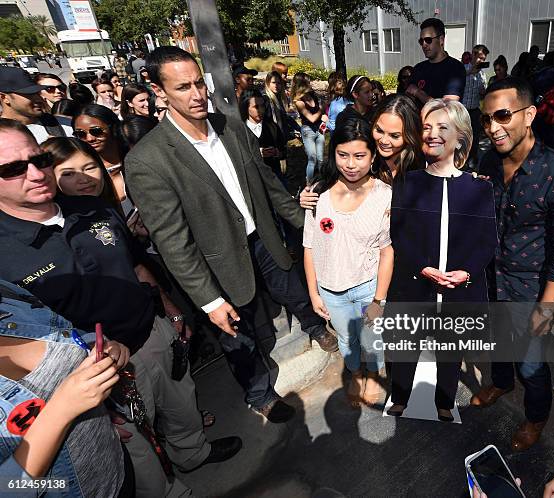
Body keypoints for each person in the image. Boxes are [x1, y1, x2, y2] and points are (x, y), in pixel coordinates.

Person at [0, 119, 242, 497]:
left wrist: (171, 312)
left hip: (155, 333)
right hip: (98, 375)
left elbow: (135, 263)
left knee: (181, 405)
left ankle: (194, 452)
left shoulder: (91, 207)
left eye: (40, 159)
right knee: (137, 450)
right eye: (13, 169)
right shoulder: (3, 257)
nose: (35, 174)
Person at [124, 46, 338, 424]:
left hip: (265, 242)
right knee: (238, 337)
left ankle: (317, 328)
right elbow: (174, 242)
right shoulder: (148, 160)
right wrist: (208, 301)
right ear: (159, 92)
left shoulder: (231, 127)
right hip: (217, 265)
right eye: (183, 87)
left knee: (296, 292)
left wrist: (305, 225)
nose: (196, 95)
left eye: (198, 83)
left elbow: (268, 184)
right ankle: (259, 394)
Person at [472, 77, 554, 451]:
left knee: (532, 365)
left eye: (503, 115)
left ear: (530, 114)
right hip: (491, 279)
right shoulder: (489, 160)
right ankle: (500, 383)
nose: (493, 127)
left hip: (529, 290)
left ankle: (536, 418)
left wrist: (547, 306)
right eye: (486, 118)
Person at [385, 99, 497, 422]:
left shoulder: (478, 187)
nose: (432, 134)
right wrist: (422, 266)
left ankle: (444, 401)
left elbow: (488, 240)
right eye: (427, 128)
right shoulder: (408, 182)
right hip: (416, 287)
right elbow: (399, 234)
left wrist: (468, 272)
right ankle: (400, 396)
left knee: (451, 349)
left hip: (458, 291)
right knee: (407, 346)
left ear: (460, 137)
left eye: (442, 128)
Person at [0, 280, 132, 498]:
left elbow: (67, 335)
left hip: (115, 464)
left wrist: (100, 350)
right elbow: (8, 488)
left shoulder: (6, 294)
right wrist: (62, 411)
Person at [303, 118, 393, 407]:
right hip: (331, 290)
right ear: (333, 154)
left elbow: (387, 251)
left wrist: (379, 298)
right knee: (346, 340)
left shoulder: (384, 195)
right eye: (343, 155)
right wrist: (314, 292)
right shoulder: (318, 195)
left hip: (369, 289)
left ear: (373, 155)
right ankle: (355, 374)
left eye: (359, 156)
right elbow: (309, 247)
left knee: (372, 339)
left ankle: (374, 374)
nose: (351, 164)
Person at [300, 93, 425, 209]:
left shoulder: (420, 165)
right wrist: (310, 194)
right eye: (379, 130)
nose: (384, 141)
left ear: (410, 135)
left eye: (395, 136)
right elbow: (330, 176)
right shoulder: (362, 153)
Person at [72, 104, 131, 212]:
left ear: (113, 128)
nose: (90, 139)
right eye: (80, 134)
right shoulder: (80, 173)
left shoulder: (134, 158)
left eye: (96, 131)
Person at [43, 136, 119, 208]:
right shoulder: (59, 220)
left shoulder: (114, 209)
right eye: (68, 174)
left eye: (90, 168)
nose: (84, 180)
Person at [0, 67, 72, 143]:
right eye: (29, 94)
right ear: (4, 98)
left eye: (37, 93)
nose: (39, 99)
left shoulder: (66, 125)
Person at [404, 18, 466, 104]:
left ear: (441, 40)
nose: (424, 45)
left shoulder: (455, 68)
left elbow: (448, 107)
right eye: (421, 41)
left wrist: (418, 92)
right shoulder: (419, 68)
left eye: (428, 40)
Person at [240, 88, 285, 181]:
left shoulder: (272, 127)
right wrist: (258, 153)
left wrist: (277, 152)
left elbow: (283, 151)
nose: (261, 110)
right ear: (246, 108)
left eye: (262, 106)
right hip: (253, 179)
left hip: (274, 177)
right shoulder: (241, 130)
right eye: (256, 107)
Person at [291, 72, 327, 180]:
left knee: (320, 159)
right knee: (312, 159)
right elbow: (311, 118)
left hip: (318, 130)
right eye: (308, 82)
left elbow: (319, 115)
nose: (310, 84)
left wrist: (324, 117)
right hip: (308, 131)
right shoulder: (299, 102)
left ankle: (321, 180)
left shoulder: (313, 96)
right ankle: (309, 183)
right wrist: (322, 109)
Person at [461, 44, 489, 168]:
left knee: (475, 137)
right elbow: (457, 81)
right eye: (480, 58)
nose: (482, 61)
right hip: (462, 110)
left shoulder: (482, 74)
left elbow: (483, 94)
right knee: (461, 136)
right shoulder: (462, 68)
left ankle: (472, 159)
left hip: (475, 110)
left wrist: (483, 91)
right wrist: (470, 72)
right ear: (473, 54)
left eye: (484, 59)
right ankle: (460, 158)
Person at [264, 70, 291, 142]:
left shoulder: (280, 98)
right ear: (268, 83)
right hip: (272, 139)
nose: (276, 85)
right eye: (273, 82)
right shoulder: (265, 99)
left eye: (278, 83)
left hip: (282, 138)